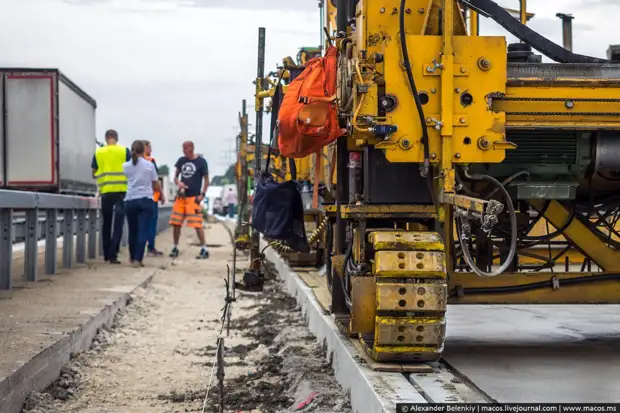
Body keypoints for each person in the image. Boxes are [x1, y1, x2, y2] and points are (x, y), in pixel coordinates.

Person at [92, 129, 130, 265]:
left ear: (106, 138)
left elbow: (94, 172)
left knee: (106, 223)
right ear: (116, 138)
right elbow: (130, 169)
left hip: (106, 192)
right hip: (121, 192)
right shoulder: (125, 151)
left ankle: (106, 253)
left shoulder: (99, 152)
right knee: (118, 224)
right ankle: (113, 255)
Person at [123, 140, 161, 267]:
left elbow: (125, 181)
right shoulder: (149, 165)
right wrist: (160, 193)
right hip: (146, 200)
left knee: (132, 230)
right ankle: (138, 259)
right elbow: (155, 183)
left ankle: (131, 257)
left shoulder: (126, 166)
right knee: (143, 229)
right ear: (143, 150)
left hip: (130, 200)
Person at [169, 141, 209, 259]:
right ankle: (175, 247)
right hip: (181, 197)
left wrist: (202, 194)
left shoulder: (201, 162)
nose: (183, 150)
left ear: (191, 148)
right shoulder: (181, 161)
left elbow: (206, 179)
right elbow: (175, 177)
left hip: (194, 198)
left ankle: (204, 249)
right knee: (176, 223)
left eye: (185, 148)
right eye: (183, 148)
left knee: (197, 224)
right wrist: (179, 183)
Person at [143, 140, 165, 257]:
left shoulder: (133, 162)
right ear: (144, 147)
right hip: (152, 198)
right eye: (149, 147)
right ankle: (151, 248)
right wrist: (161, 194)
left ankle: (138, 249)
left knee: (141, 224)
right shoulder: (151, 161)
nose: (151, 149)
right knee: (151, 224)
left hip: (138, 197)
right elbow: (155, 180)